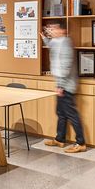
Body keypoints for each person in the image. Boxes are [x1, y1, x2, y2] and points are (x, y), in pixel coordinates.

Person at [40, 23, 86, 153]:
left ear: (62, 30)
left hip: (66, 85)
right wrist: (44, 38)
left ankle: (81, 143)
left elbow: (65, 66)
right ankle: (60, 139)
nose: (51, 30)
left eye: (53, 28)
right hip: (61, 84)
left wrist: (60, 85)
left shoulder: (65, 43)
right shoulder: (56, 41)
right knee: (61, 113)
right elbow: (51, 46)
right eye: (50, 29)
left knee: (72, 115)